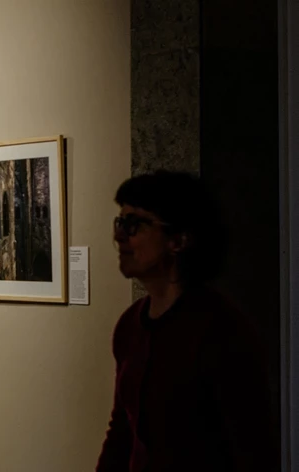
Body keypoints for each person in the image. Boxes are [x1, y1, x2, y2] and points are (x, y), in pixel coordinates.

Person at [96, 170, 277, 472]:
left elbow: (252, 449)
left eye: (134, 224)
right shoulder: (131, 324)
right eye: (120, 221)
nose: (119, 235)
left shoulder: (221, 330)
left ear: (178, 240)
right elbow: (123, 431)